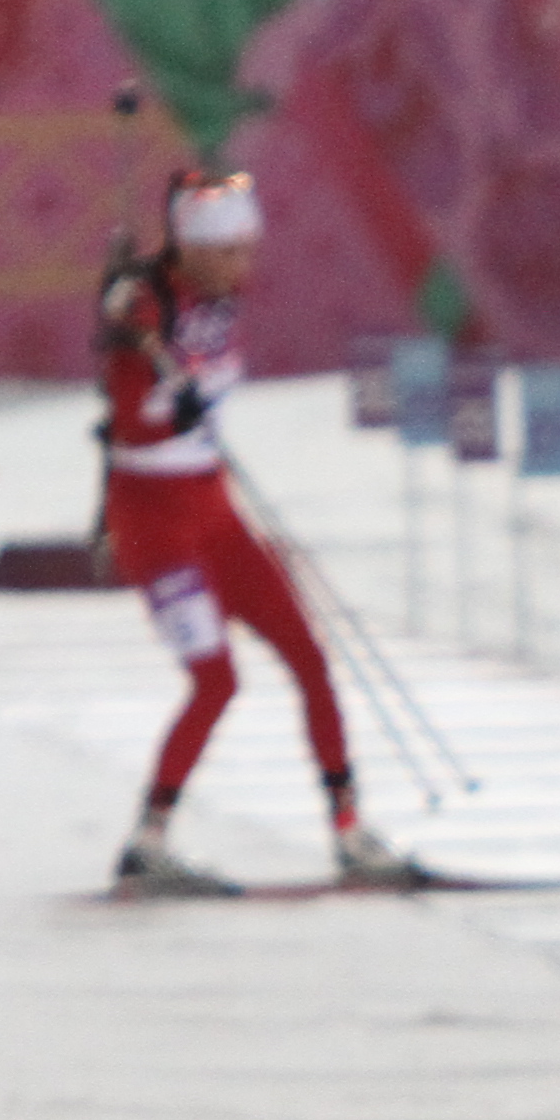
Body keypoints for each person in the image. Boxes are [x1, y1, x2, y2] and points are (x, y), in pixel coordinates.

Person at [96, 171, 395, 895]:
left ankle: (350, 830)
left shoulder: (211, 297)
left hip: (215, 510)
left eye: (247, 249)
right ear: (195, 250)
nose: (242, 267)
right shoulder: (148, 302)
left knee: (310, 656)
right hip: (154, 521)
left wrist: (188, 394)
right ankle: (149, 838)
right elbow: (132, 420)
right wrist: (168, 395)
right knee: (216, 680)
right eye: (229, 252)